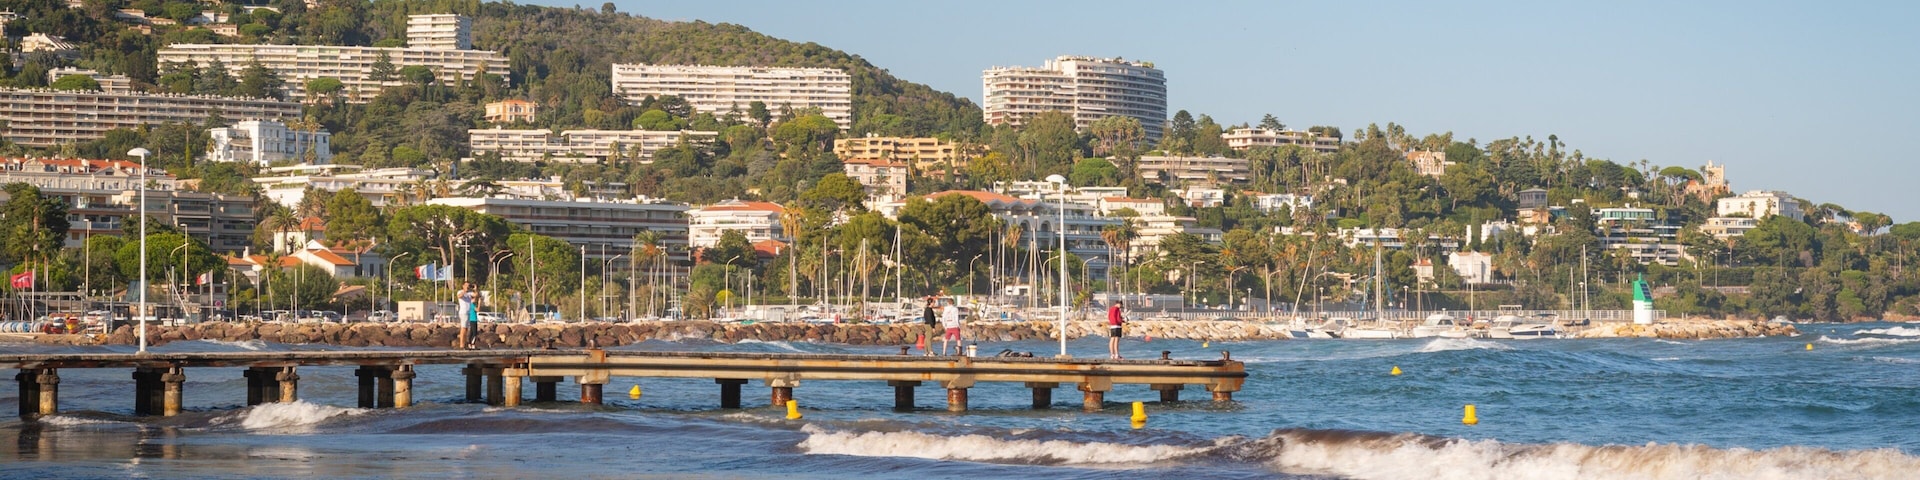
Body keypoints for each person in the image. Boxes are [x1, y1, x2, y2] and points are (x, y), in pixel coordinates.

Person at [458, 283, 480, 349]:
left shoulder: (469, 293)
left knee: (466, 329)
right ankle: (461, 345)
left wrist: (475, 289)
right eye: (466, 286)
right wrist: (464, 291)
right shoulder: (460, 291)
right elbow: (459, 296)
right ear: (463, 286)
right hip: (463, 312)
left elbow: (476, 295)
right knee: (463, 328)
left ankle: (464, 344)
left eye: (468, 286)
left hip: (468, 313)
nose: (467, 287)